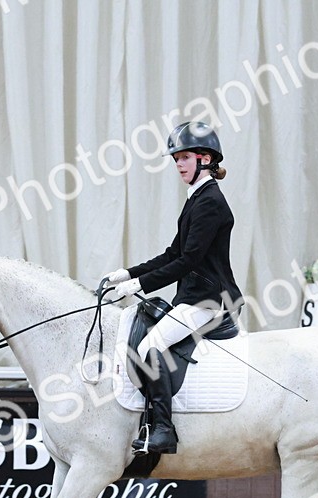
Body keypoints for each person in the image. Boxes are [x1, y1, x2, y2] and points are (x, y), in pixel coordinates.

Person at [104, 120, 244, 455]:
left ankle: (164, 430)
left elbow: (189, 261)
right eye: (176, 158)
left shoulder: (210, 201)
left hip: (210, 300)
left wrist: (139, 284)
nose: (178, 164)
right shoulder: (197, 198)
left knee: (152, 344)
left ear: (205, 158)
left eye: (184, 157)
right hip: (195, 296)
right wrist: (127, 273)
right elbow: (173, 253)